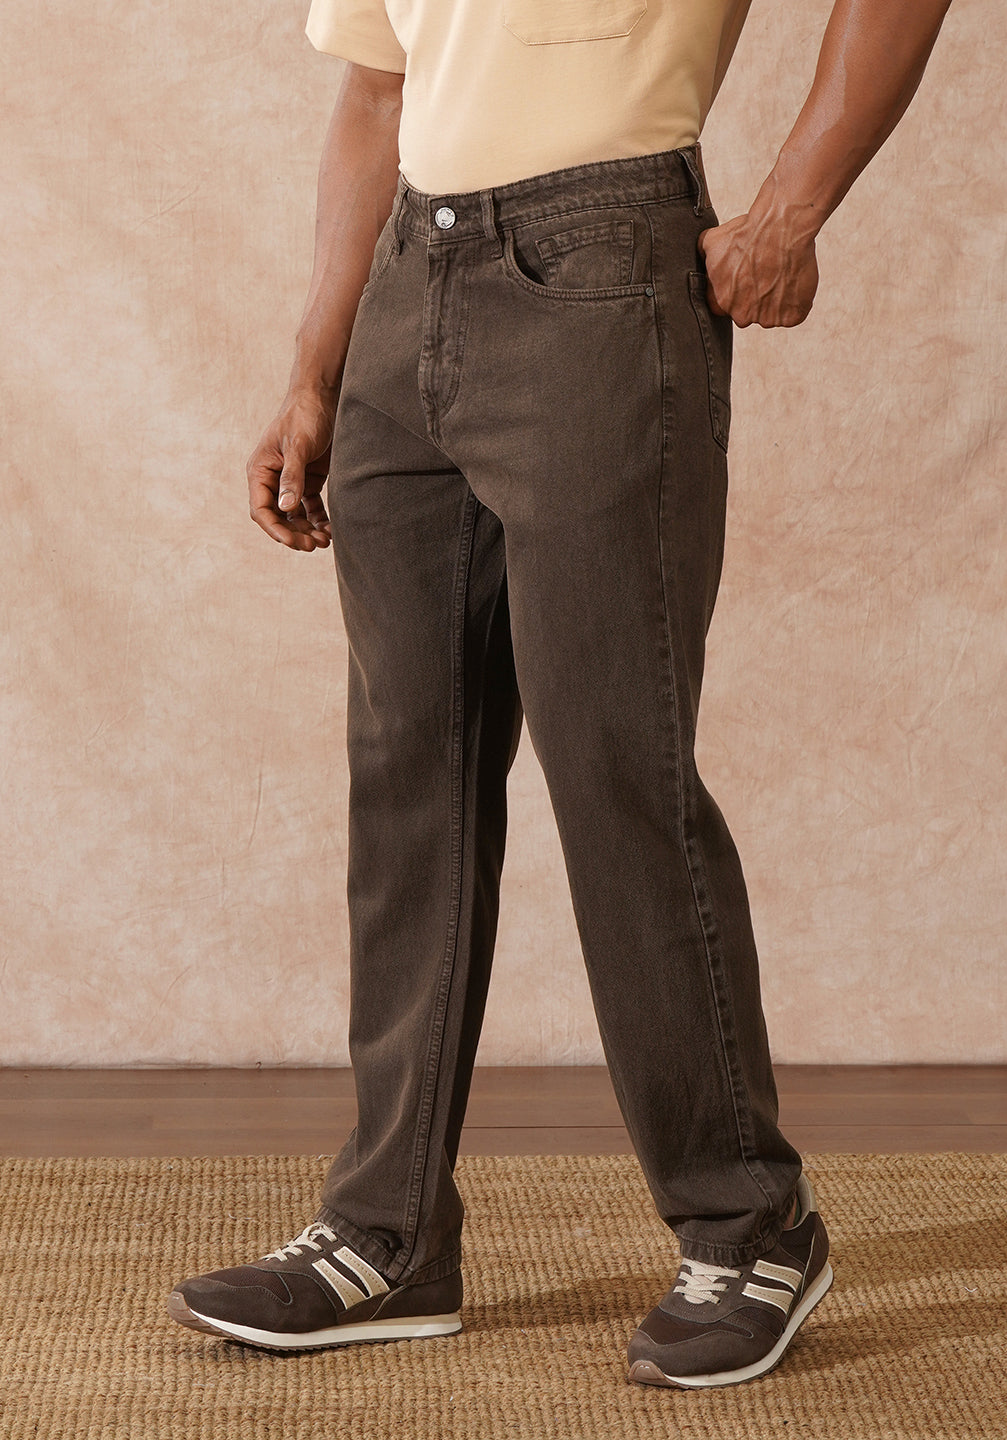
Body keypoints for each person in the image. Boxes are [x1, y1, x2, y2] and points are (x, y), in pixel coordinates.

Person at [167, 0, 952, 1388]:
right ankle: (388, 1229)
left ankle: (749, 1222)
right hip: (407, 284)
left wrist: (791, 210)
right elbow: (374, 96)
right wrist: (313, 372)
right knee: (406, 781)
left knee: (614, 766)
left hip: (603, 275)